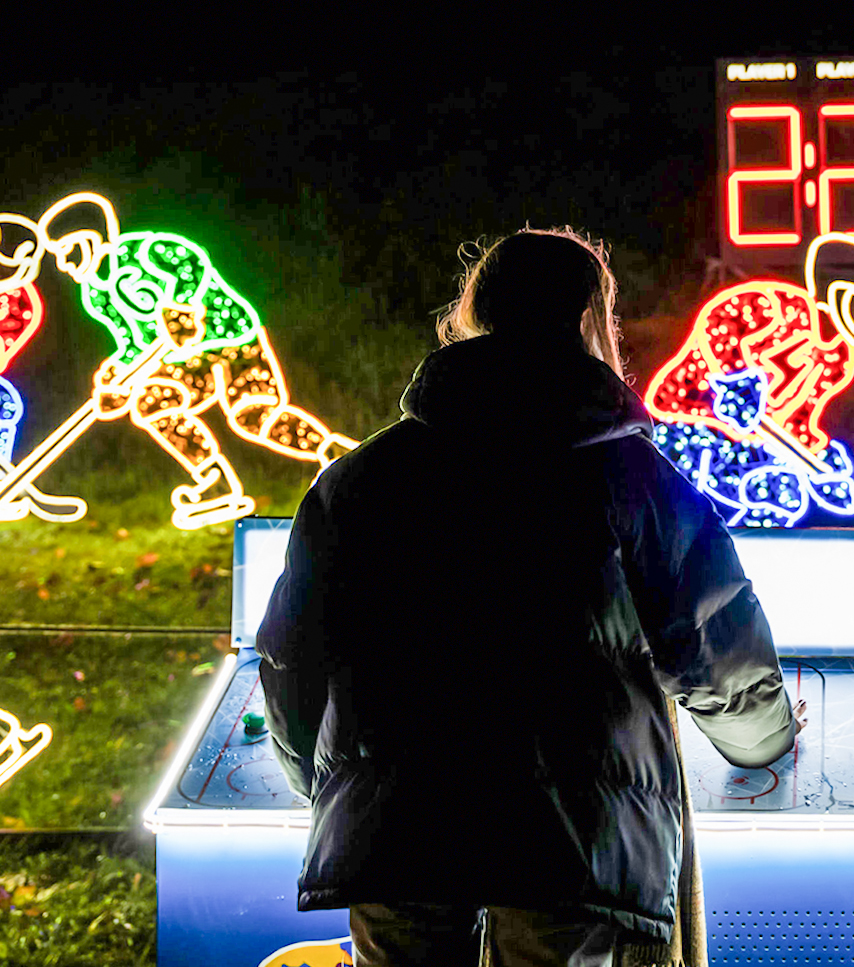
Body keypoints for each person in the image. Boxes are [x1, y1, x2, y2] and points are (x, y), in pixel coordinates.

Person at [256, 228, 801, 967]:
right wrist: (765, 741)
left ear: (473, 312)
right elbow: (714, 645)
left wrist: (324, 785)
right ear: (590, 321)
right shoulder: (634, 480)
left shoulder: (362, 481)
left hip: (393, 830)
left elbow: (293, 657)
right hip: (569, 843)